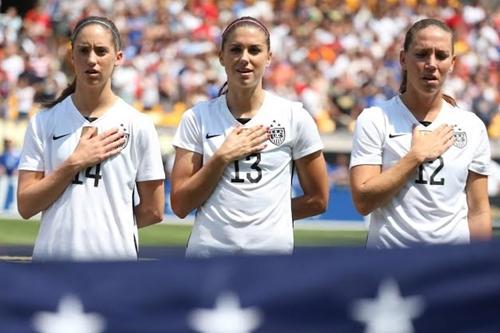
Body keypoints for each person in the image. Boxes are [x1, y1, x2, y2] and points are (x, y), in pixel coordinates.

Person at [170, 16, 329, 257]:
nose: (244, 58)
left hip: (271, 261)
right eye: (235, 49)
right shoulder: (197, 118)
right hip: (208, 259)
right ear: (221, 57)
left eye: (254, 50)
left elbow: (318, 200)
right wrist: (221, 157)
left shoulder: (294, 117)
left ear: (268, 57)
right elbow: (180, 204)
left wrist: (263, 217)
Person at [16, 16, 165, 261]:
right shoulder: (44, 122)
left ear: (118, 58)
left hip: (113, 271)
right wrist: (74, 163)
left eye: (101, 51)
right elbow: (26, 205)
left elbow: (154, 210)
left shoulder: (138, 124)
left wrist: (108, 231)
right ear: (72, 57)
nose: (92, 60)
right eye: (83, 51)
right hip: (52, 268)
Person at [349, 18, 491, 249]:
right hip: (390, 267)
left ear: (453, 63)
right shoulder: (375, 119)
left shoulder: (471, 126)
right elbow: (363, 202)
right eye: (422, 54)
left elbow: (478, 211)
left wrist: (481, 269)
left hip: (451, 268)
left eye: (441, 56)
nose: (431, 63)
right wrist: (415, 157)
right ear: (403, 59)